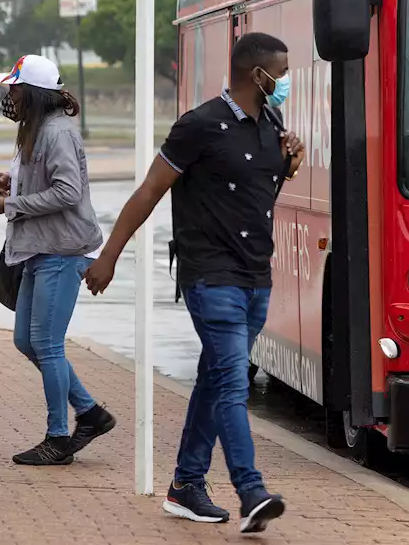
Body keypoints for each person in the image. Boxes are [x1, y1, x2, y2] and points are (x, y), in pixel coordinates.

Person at [83, 33, 305, 534]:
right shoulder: (199, 125)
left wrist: (290, 162)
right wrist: (109, 256)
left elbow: (258, 193)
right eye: (282, 72)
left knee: (213, 379)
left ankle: (186, 486)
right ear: (258, 75)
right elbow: (149, 192)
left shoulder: (272, 122)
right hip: (211, 275)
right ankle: (251, 491)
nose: (287, 81)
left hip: (255, 276)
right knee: (230, 381)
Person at [0, 54, 116, 466]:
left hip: (61, 252)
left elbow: (67, 192)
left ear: (34, 92)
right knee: (27, 340)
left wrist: (11, 204)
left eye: (15, 88)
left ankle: (59, 438)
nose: (9, 95)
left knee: (48, 345)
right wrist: (10, 182)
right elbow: (42, 180)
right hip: (39, 249)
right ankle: (90, 413)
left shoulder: (57, 132)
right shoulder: (35, 130)